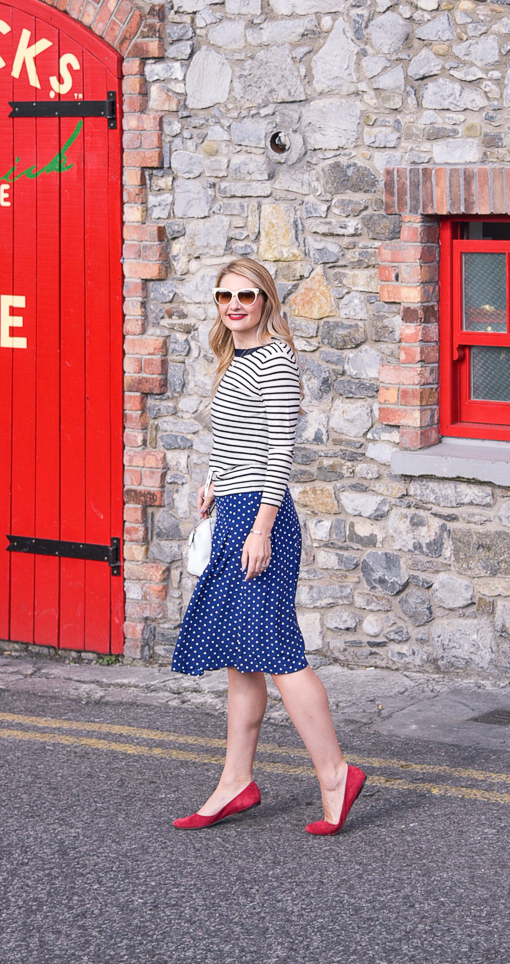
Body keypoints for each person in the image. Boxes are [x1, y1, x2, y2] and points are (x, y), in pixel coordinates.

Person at [170, 258, 365, 835]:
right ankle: (236, 781)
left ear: (267, 302)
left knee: (278, 654)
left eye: (246, 296)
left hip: (262, 520)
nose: (234, 305)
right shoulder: (237, 359)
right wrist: (213, 480)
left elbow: (278, 453)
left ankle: (335, 775)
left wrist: (260, 528)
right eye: (224, 296)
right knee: (240, 658)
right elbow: (237, 438)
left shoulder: (275, 362)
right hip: (233, 510)